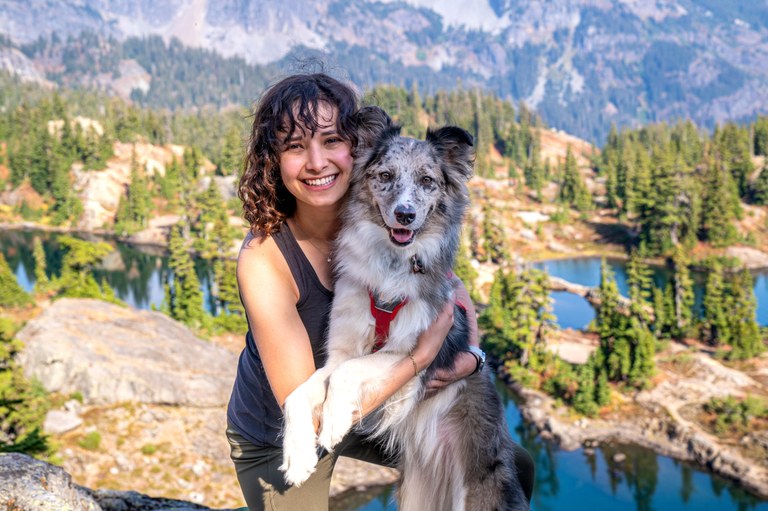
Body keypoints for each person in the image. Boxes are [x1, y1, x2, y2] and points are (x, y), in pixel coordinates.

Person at [226, 72, 533, 511]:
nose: (317, 162)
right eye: (295, 146)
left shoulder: (378, 217)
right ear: (272, 158)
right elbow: (314, 417)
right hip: (283, 429)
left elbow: (449, 291)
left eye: (331, 141)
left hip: (367, 404)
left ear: (355, 148)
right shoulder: (264, 258)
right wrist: (419, 359)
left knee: (511, 463)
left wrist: (472, 356)